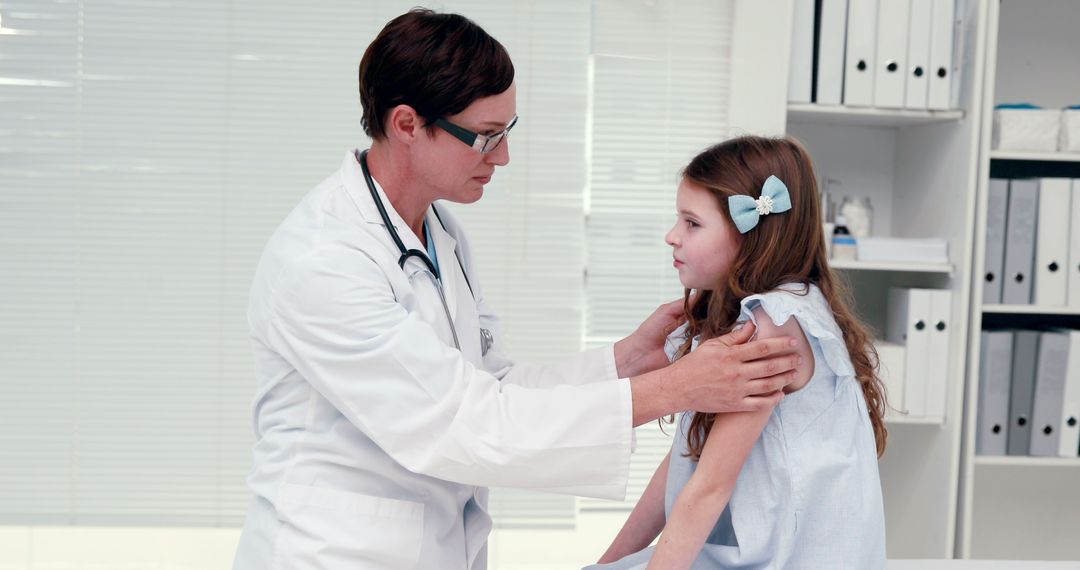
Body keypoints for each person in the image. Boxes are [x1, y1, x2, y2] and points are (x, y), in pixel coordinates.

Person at [231, 10, 802, 570]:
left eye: (507, 132)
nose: (503, 156)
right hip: (334, 552)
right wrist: (676, 388)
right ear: (407, 125)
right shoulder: (323, 263)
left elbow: (488, 383)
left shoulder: (439, 233)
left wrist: (630, 362)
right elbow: (468, 422)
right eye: (485, 137)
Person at [589, 136, 889, 570]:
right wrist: (605, 564)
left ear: (752, 233)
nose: (672, 236)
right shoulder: (777, 310)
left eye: (692, 223)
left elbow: (710, 486)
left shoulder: (772, 323)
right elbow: (686, 466)